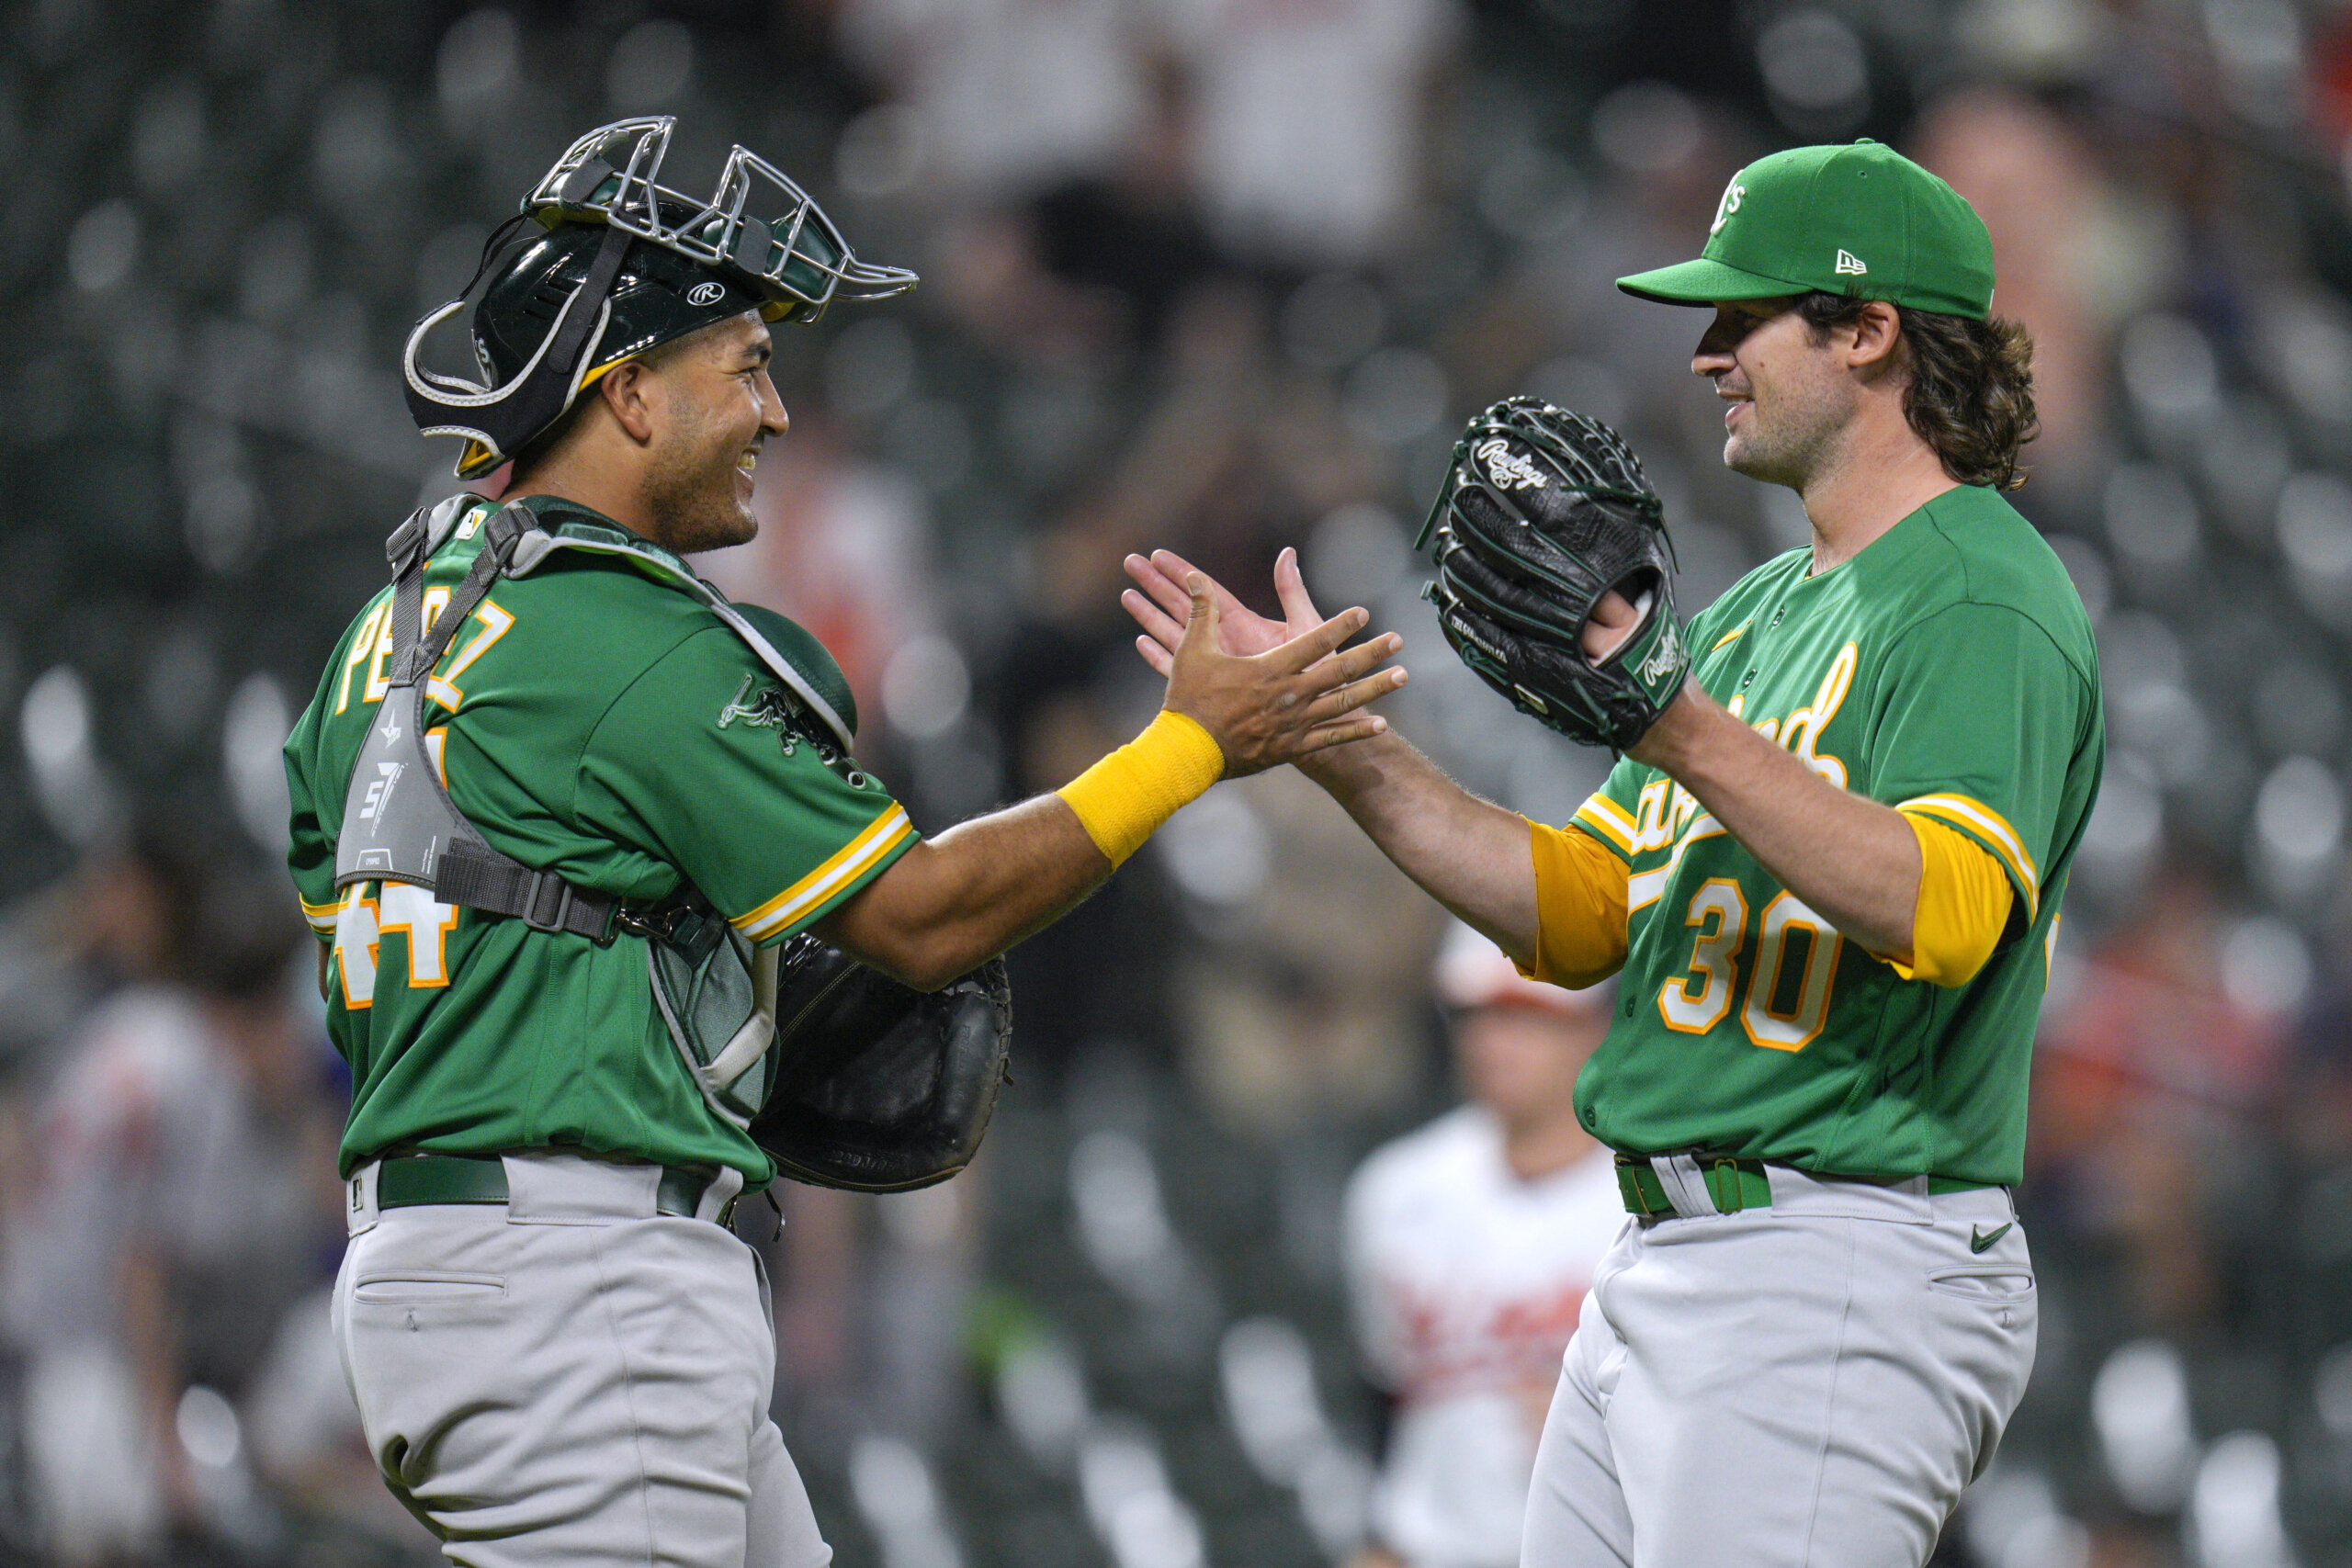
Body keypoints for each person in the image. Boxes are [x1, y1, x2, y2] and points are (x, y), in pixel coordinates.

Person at [281, 118, 1400, 1568]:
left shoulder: (384, 636)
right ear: (627, 396)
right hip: (579, 1274)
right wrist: (1188, 745)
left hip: (450, 1257)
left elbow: (362, 943)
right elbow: (922, 917)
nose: (777, 412)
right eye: (745, 364)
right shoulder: (622, 634)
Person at [1125, 138, 2104, 1565]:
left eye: (1743, 314)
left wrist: (1676, 716)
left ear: (1872, 329)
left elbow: (1949, 906)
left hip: (1841, 1250)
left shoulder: (1981, 593)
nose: (1709, 355)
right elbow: (1584, 913)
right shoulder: (1765, 609)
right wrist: (1332, 737)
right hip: (1668, 1251)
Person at [1341, 923, 1622, 1568]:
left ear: (1593, 1026)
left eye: (1527, 1016)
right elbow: (1385, 1402)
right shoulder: (1396, 1191)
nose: (1494, 1042)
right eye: (1477, 1016)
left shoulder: (1652, 1201)